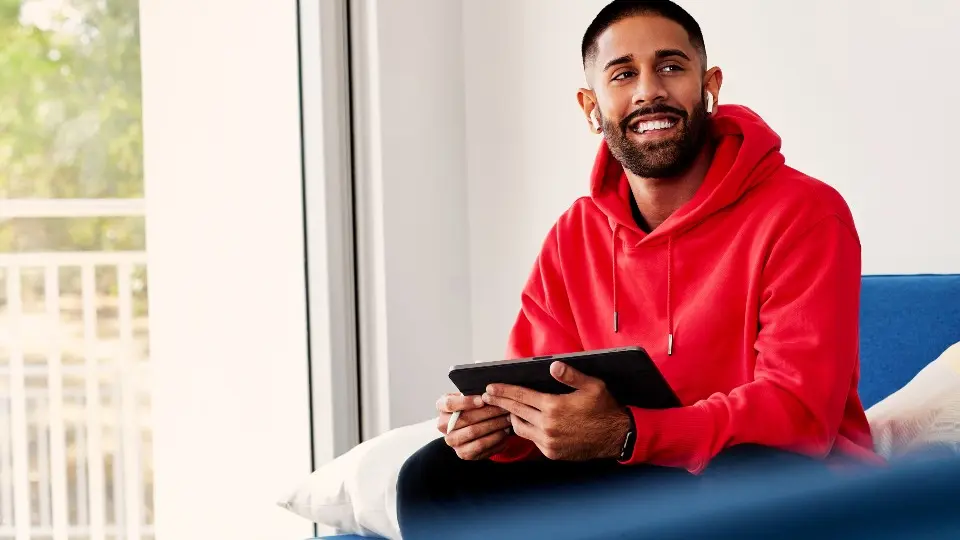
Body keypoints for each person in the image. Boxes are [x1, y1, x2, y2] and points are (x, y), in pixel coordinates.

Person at [398, 0, 883, 537]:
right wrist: (501, 426)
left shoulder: (806, 212)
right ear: (590, 106)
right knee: (431, 478)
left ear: (709, 86)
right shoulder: (572, 235)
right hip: (634, 476)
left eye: (671, 67)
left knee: (751, 470)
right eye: (623, 74)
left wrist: (629, 432)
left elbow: (798, 416)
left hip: (784, 483)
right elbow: (546, 391)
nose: (649, 90)